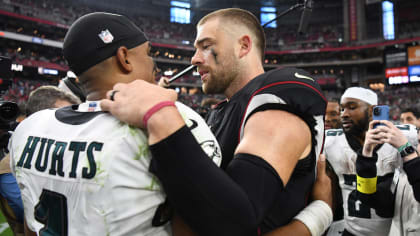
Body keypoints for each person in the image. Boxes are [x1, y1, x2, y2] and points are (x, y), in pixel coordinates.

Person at [101, 8, 332, 236]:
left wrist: (159, 114)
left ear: (243, 46)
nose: (194, 59)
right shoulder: (221, 112)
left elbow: (232, 225)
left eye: (206, 46)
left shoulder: (276, 101)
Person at [9, 12, 221, 236]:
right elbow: (198, 220)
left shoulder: (30, 128)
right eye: (149, 53)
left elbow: (31, 224)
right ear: (124, 57)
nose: (154, 65)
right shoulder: (167, 118)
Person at [324, 87, 418, 236]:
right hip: (351, 230)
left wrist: (405, 148)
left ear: (371, 110)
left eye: (352, 107)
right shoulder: (330, 141)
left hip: (394, 230)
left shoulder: (405, 136)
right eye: (342, 109)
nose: (345, 114)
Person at [356, 119, 419, 236]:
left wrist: (407, 151)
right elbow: (369, 197)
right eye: (419, 142)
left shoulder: (413, 169)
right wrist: (367, 154)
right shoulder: (404, 175)